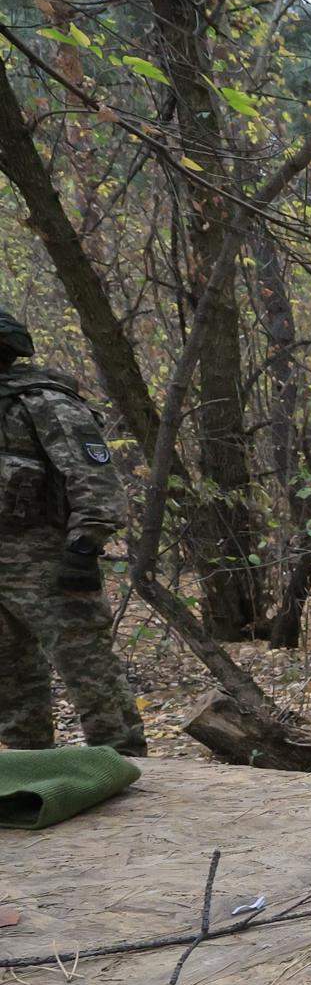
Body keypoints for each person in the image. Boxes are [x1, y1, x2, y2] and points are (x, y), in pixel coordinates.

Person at [0, 306, 146, 758]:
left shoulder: (45, 403)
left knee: (88, 668)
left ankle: (125, 765)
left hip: (49, 561)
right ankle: (29, 769)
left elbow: (96, 480)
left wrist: (83, 550)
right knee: (10, 677)